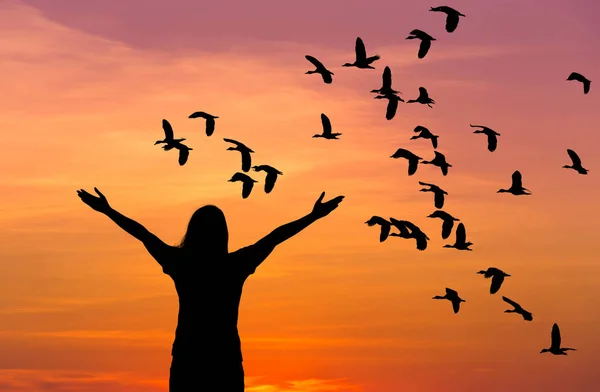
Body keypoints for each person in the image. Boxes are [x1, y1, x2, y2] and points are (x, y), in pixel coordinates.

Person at [76, 187, 345, 391]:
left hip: (190, 358)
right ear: (223, 234)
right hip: (222, 359)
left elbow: (142, 233)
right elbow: (275, 237)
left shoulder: (182, 263)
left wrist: (108, 211)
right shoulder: (234, 265)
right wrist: (313, 216)